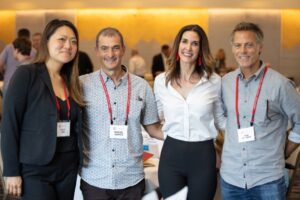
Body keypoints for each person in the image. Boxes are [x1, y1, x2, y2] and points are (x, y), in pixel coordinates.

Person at [1, 19, 84, 200]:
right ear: (47, 41)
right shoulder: (27, 74)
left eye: (73, 41)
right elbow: (9, 124)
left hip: (68, 167)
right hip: (35, 168)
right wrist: (11, 171)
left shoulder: (71, 80)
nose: (68, 46)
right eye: (61, 39)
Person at [79, 27, 163, 200]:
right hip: (95, 179)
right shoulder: (82, 85)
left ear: (123, 49)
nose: (110, 54)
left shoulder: (142, 87)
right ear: (96, 51)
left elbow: (153, 128)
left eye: (115, 47)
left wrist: (187, 136)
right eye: (104, 48)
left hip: (131, 180)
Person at [220, 22, 300, 200]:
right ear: (232, 49)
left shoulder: (280, 84)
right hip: (231, 178)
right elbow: (220, 118)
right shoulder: (224, 83)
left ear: (260, 48)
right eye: (238, 45)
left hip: (268, 179)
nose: (243, 50)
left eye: (249, 45)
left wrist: (285, 150)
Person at [154, 24, 224, 200]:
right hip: (171, 156)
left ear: (201, 49)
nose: (188, 47)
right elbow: (156, 117)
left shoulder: (214, 81)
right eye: (184, 41)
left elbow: (221, 121)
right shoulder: (161, 81)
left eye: (195, 43)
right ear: (178, 45)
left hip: (203, 158)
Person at [0, 28, 36, 98]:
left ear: (16, 50)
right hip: (29, 89)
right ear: (29, 36)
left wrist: (3, 73)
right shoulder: (34, 51)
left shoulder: (9, 47)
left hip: (10, 85)